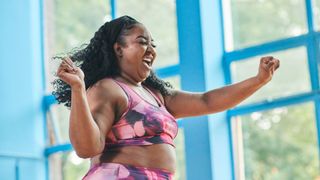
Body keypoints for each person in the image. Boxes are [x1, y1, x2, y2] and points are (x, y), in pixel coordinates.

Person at [53, 15, 280, 180]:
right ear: (118, 49)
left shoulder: (157, 95)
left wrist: (258, 80)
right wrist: (78, 89)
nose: (151, 49)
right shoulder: (108, 89)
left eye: (153, 44)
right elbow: (87, 148)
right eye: (142, 42)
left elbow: (207, 101)